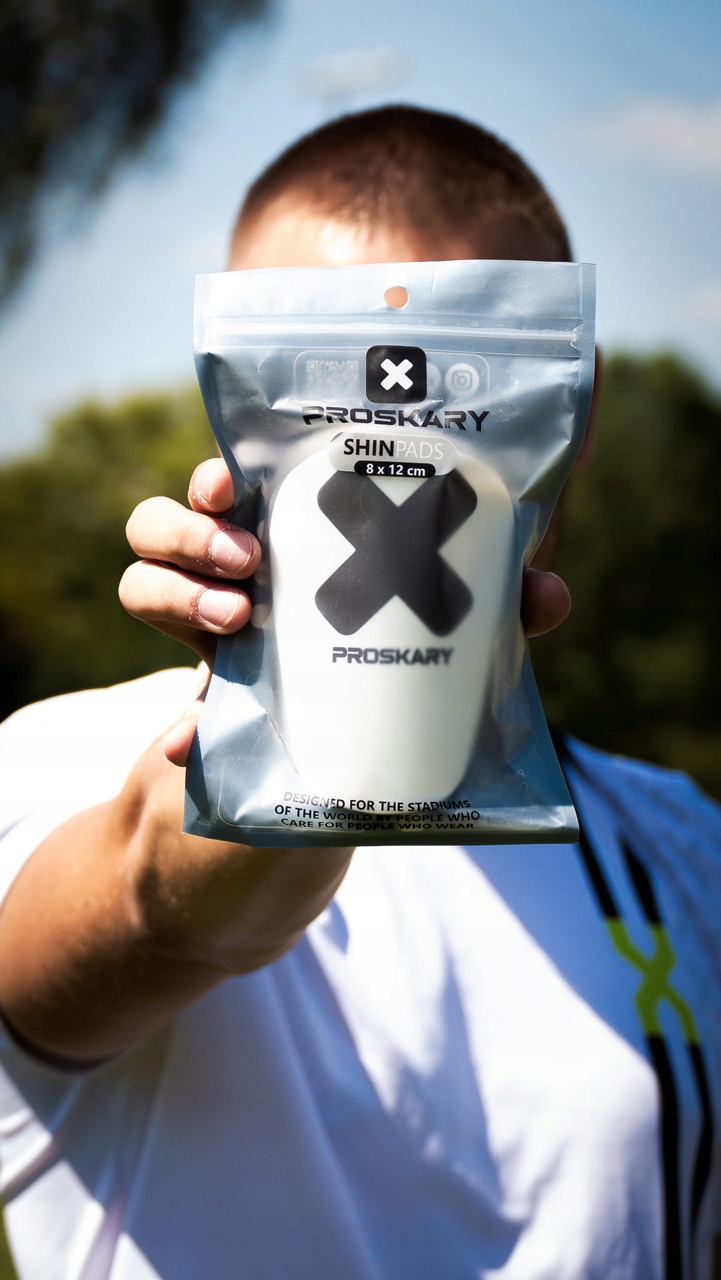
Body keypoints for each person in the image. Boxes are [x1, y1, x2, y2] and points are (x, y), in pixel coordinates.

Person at [0, 106, 719, 1280]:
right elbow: (155, 902)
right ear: (233, 404)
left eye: (458, 384)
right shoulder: (63, 763)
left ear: (570, 411)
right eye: (331, 382)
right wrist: (283, 753)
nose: (398, 432)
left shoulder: (682, 849)